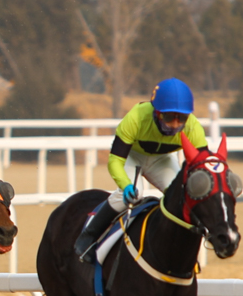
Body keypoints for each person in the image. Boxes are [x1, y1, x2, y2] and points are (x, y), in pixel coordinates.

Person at [74, 77, 210, 261]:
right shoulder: (136, 117)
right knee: (134, 195)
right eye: (169, 117)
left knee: (181, 197)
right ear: (157, 112)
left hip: (161, 160)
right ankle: (89, 236)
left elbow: (203, 167)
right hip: (132, 157)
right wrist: (126, 185)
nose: (175, 125)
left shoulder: (193, 127)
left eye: (182, 118)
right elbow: (115, 161)